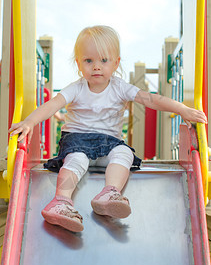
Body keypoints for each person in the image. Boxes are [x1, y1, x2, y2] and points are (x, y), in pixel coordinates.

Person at [9, 25, 207, 233]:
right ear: (79, 63)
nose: (96, 67)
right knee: (77, 160)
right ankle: (61, 202)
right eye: (89, 61)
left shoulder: (120, 87)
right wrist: (29, 122)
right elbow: (51, 105)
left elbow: (152, 100)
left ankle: (110, 193)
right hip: (78, 140)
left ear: (115, 63)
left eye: (103, 60)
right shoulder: (76, 88)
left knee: (123, 153)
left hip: (108, 143)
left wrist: (182, 109)